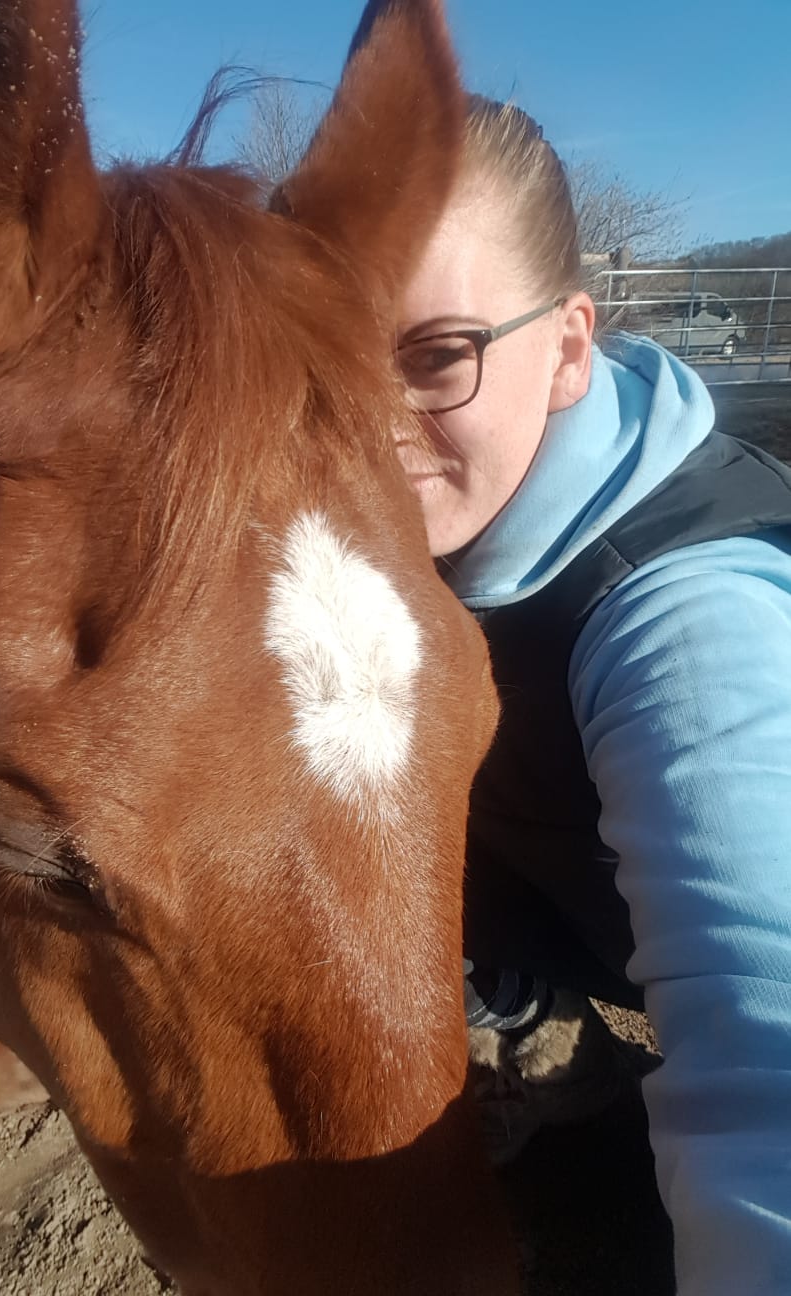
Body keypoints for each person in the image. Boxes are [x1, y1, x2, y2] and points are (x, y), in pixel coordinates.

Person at [392, 96, 791, 1296]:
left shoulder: (690, 616)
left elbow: (766, 1040)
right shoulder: (467, 499)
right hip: (564, 872)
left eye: (434, 355)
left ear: (570, 349)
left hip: (632, 915)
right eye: (320, 359)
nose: (364, 424)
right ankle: (533, 1023)